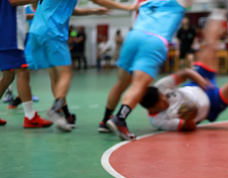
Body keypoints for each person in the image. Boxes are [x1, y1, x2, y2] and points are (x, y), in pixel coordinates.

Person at [29, 0, 137, 132]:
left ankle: (65, 115)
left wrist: (93, 11)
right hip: (52, 32)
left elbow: (69, 10)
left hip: (35, 32)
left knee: (55, 77)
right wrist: (127, 7)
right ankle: (56, 109)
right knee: (66, 73)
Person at [100, 0, 194, 139]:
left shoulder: (143, 1)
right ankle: (119, 118)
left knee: (121, 83)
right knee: (139, 84)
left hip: (133, 36)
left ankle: (104, 121)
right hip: (154, 40)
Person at [0, 0, 53, 128]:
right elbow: (13, 2)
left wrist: (34, 16)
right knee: (22, 72)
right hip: (9, 36)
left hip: (6, 34)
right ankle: (30, 117)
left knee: (8, 76)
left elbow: (12, 11)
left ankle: (30, 115)